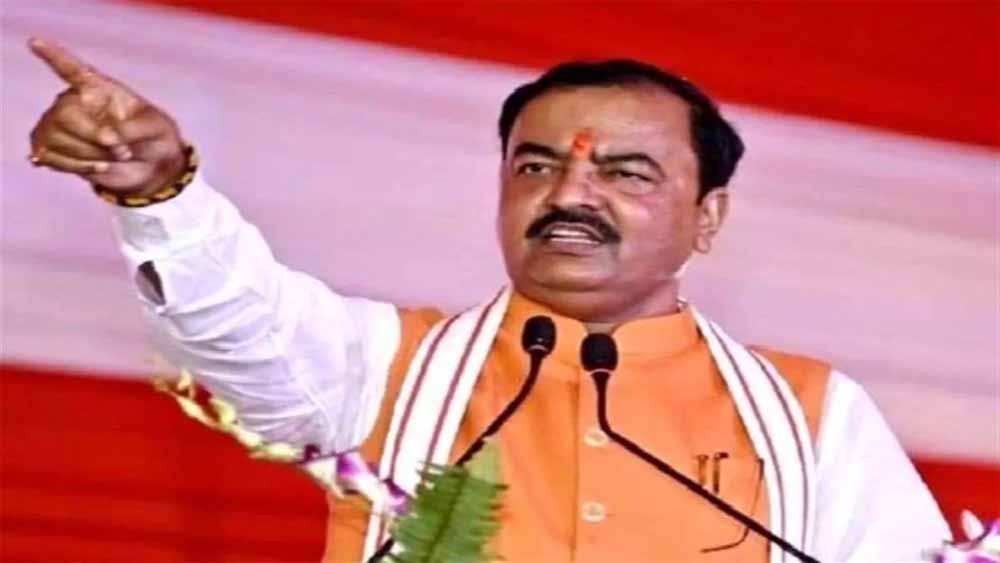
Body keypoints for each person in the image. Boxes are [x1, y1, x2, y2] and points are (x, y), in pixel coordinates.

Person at [26, 38, 949, 562]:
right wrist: (160, 193)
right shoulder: (384, 369)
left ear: (707, 217)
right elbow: (239, 324)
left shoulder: (811, 415)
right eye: (535, 167)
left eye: (626, 172)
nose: (571, 194)